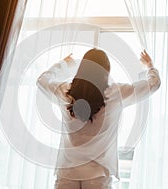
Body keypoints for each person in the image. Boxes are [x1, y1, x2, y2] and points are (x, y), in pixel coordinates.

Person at [37, 48, 160, 189]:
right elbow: (153, 83)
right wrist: (149, 65)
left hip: (67, 174)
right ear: (106, 71)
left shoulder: (65, 91)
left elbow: (42, 80)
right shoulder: (116, 93)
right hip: (98, 176)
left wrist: (63, 64)